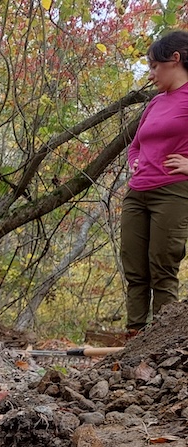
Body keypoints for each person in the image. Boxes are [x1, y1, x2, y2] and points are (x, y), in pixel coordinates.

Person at [121, 30, 188, 337]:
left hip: (172, 193)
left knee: (162, 269)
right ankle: (133, 338)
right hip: (137, 193)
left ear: (175, 60)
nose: (151, 74)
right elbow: (135, 144)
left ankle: (161, 345)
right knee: (135, 270)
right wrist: (134, 161)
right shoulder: (155, 103)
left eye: (154, 66)